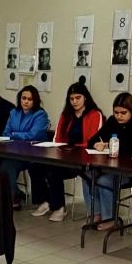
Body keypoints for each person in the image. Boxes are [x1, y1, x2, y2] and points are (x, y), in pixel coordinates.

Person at [29, 82, 103, 222]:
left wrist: (74, 147)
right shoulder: (66, 115)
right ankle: (45, 201)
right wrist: (61, 148)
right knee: (34, 166)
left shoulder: (95, 115)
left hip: (82, 159)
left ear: (85, 97)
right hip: (64, 157)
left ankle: (59, 207)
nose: (74, 101)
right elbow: (57, 139)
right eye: (71, 99)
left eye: (78, 98)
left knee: (53, 173)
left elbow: (93, 142)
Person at [82, 92, 132, 230]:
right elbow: (92, 140)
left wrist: (113, 146)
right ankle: (96, 214)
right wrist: (97, 144)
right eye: (116, 112)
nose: (119, 116)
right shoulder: (112, 121)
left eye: (123, 113)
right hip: (110, 167)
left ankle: (110, 218)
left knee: (104, 181)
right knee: (87, 176)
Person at [0, 85, 51, 210]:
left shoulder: (40, 115)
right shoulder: (14, 112)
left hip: (33, 154)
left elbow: (33, 135)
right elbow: (6, 133)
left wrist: (15, 134)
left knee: (7, 166)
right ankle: (14, 193)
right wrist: (16, 135)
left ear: (34, 100)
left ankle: (13, 197)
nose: (26, 101)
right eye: (23, 98)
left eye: (29, 99)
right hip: (14, 151)